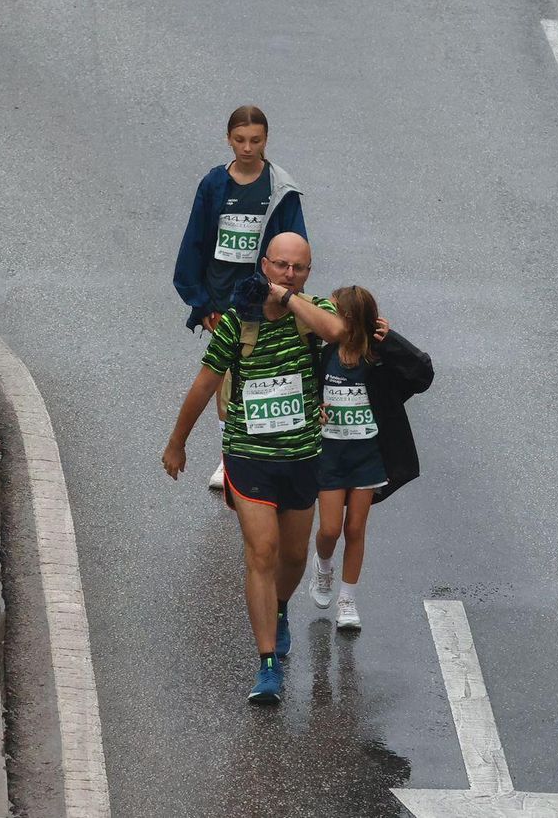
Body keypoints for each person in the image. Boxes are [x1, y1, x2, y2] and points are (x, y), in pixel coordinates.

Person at [163, 233, 342, 705]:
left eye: (297, 268)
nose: (287, 273)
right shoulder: (237, 322)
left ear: (307, 271)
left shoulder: (313, 312)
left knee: (293, 558)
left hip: (302, 456)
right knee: (261, 551)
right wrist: (176, 443)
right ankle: (266, 666)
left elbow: (339, 333)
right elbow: (205, 384)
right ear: (264, 264)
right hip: (248, 453)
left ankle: (280, 607)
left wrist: (289, 299)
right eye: (280, 266)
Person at [173, 106, 308, 490]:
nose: (247, 148)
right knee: (226, 375)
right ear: (228, 139)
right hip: (223, 303)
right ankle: (227, 458)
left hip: (267, 300)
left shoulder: (281, 189)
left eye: (256, 140)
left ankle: (267, 446)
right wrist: (202, 305)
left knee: (262, 373)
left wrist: (286, 292)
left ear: (267, 140)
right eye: (239, 140)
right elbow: (194, 244)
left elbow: (297, 245)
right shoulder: (214, 185)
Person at [308, 286, 433, 631]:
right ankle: (323, 567)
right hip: (330, 455)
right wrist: (312, 407)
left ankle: (347, 600)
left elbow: (422, 373)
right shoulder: (322, 353)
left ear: (349, 319)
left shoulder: (377, 359)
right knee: (330, 529)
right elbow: (304, 386)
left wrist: (391, 339)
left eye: (333, 313)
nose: (326, 319)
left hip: (367, 458)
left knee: (355, 528)